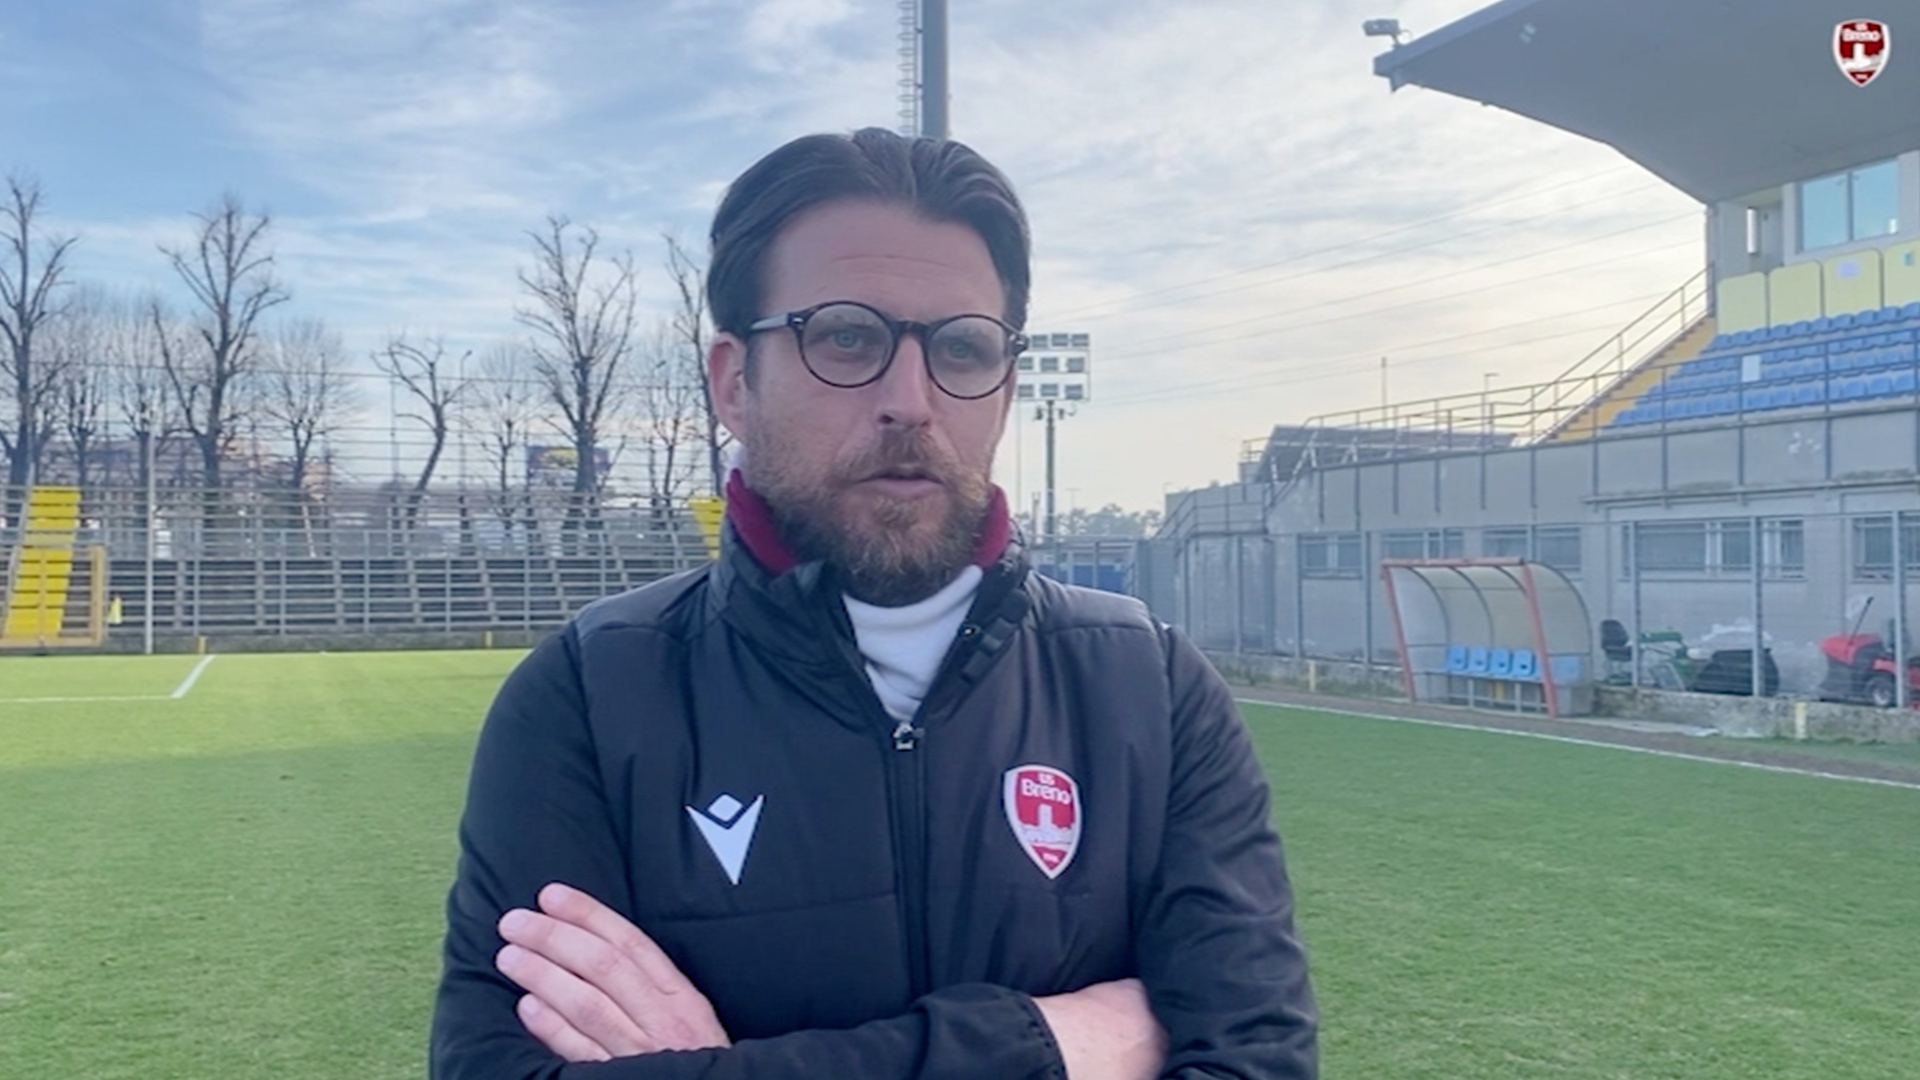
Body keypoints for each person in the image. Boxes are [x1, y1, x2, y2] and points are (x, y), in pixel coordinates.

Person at [429, 127, 1318, 1080]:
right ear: (734, 381)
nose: (911, 399)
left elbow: (1258, 1061)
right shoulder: (590, 697)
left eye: (962, 348)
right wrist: (1042, 1048)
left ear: (1006, 386)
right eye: (846, 336)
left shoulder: (1148, 687)